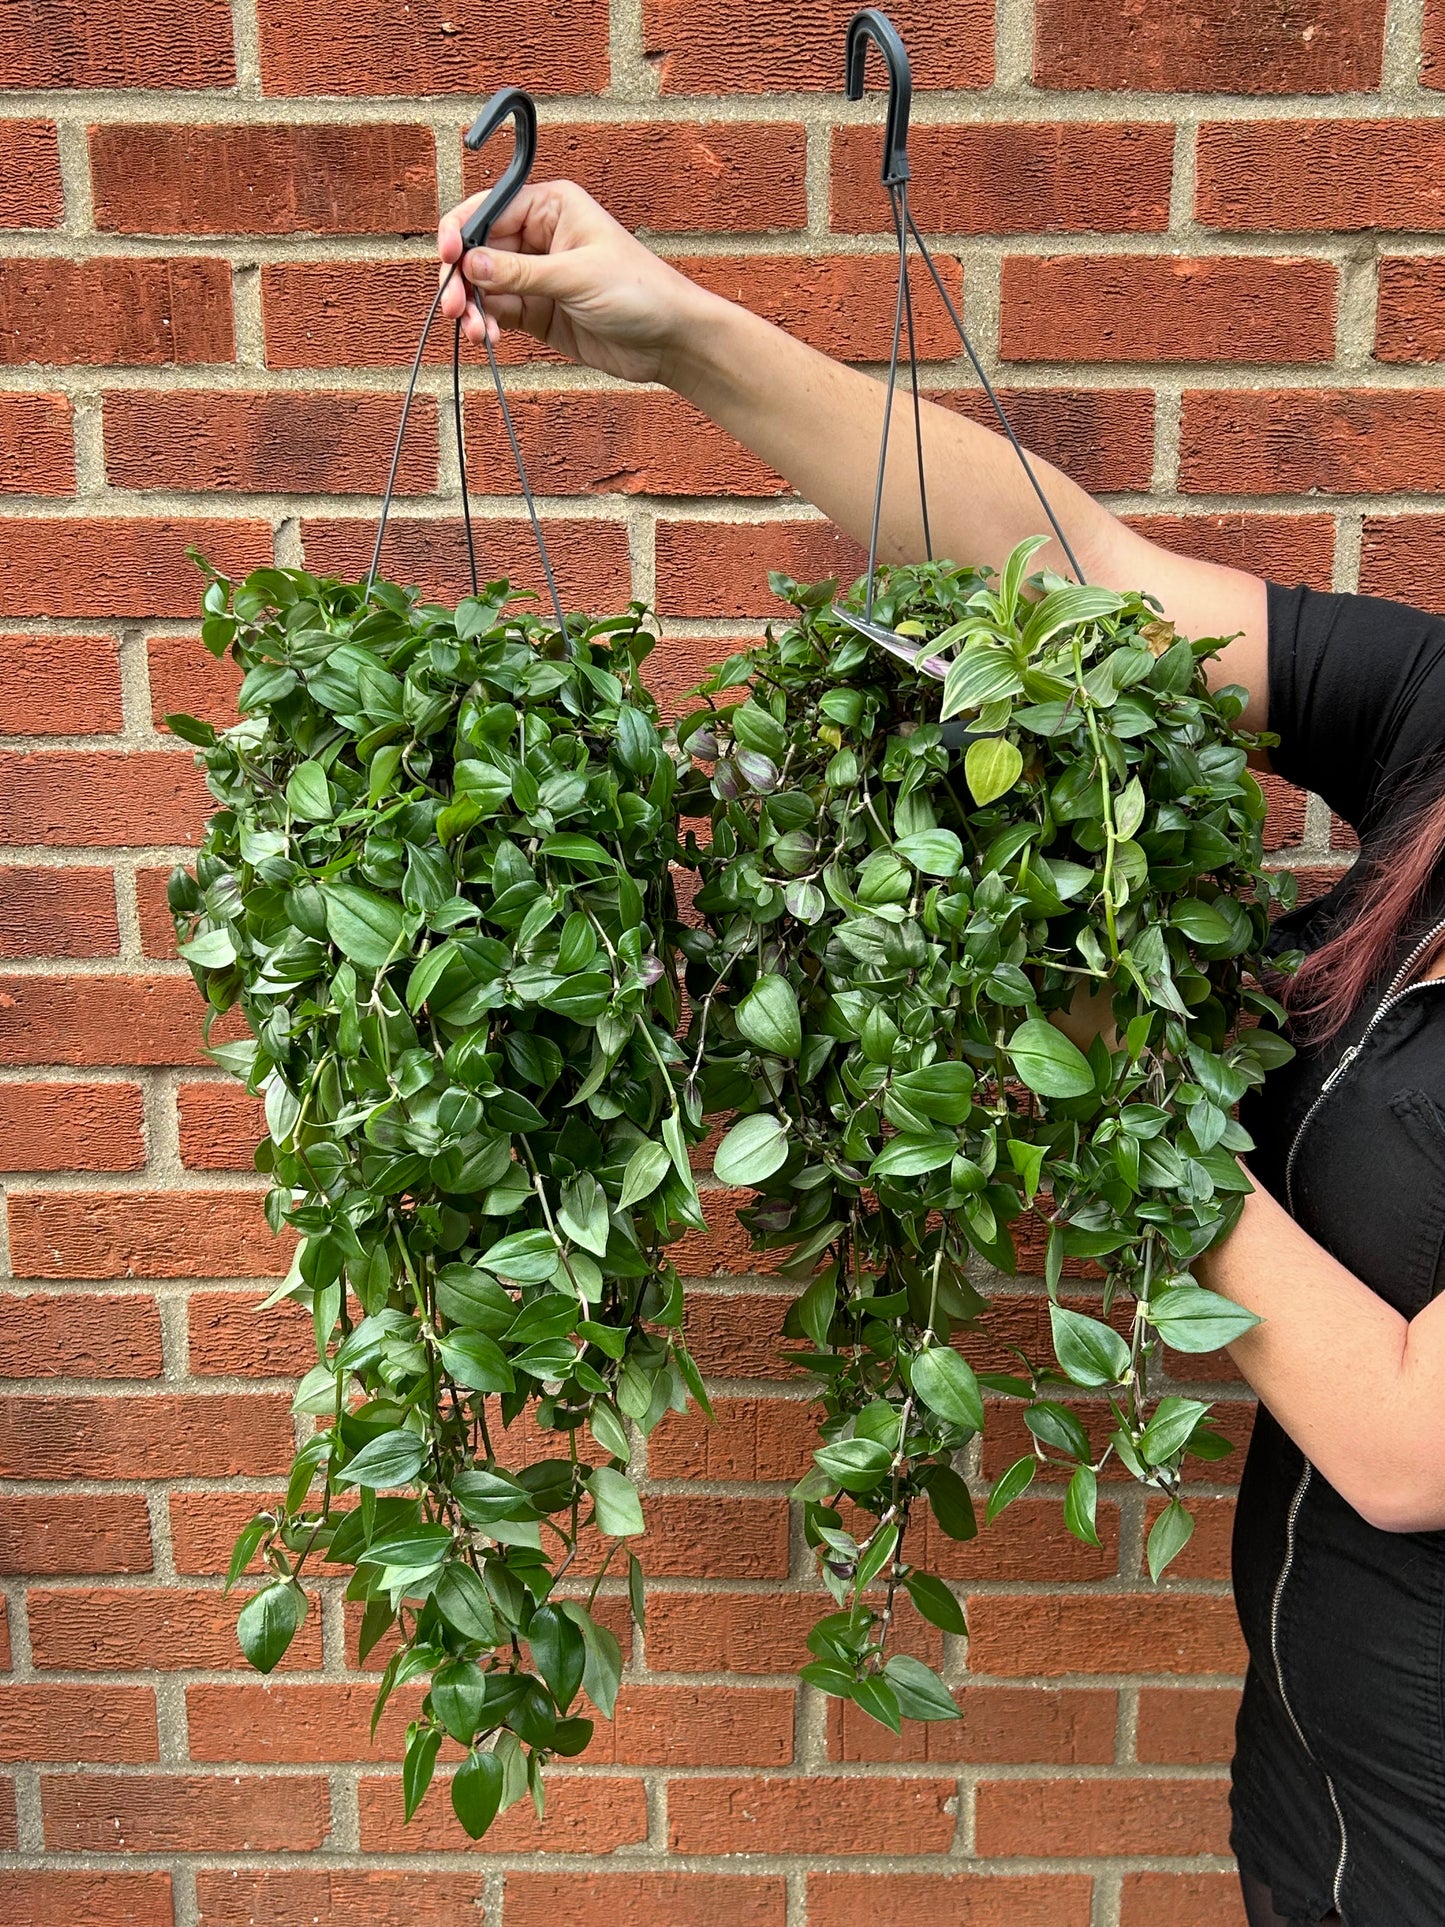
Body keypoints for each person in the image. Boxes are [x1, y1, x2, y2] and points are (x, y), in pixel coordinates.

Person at [437, 181, 1445, 1927]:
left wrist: (1115, 1088)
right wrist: (668, 325)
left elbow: (1407, 1442)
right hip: (1322, 1789)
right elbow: (1083, 581)